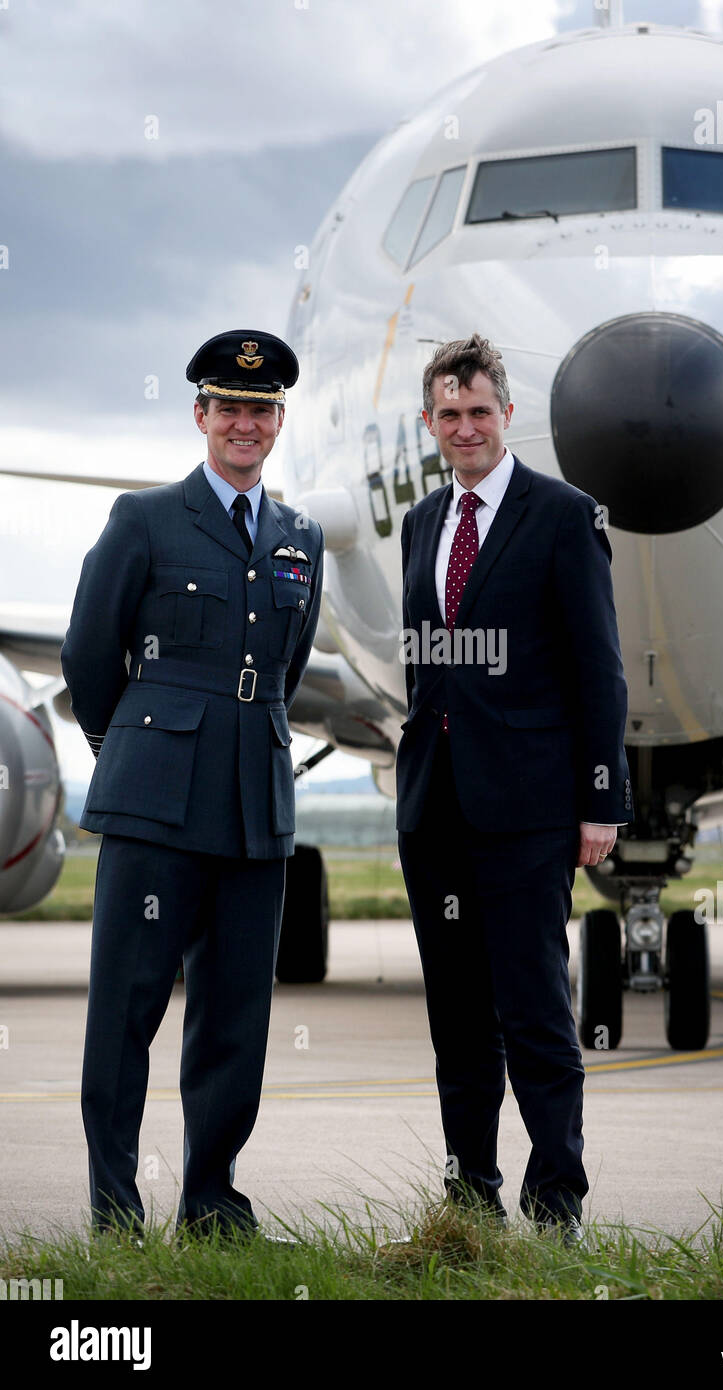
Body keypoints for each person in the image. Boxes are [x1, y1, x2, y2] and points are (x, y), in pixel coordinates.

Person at [60, 329, 323, 1241]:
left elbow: (283, 670)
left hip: (256, 807)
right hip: (155, 804)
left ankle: (212, 1203)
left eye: (262, 410)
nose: (245, 424)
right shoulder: (145, 519)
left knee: (234, 1019)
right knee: (126, 1011)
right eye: (229, 408)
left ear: (278, 421)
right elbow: (88, 652)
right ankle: (114, 1209)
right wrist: (127, 745)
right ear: (200, 415)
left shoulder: (301, 539)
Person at [396, 332, 633, 1242]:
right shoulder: (424, 522)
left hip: (530, 809)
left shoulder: (563, 514)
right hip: (436, 806)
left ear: (506, 415)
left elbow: (598, 668)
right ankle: (470, 1200)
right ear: (431, 422)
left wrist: (601, 799)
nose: (465, 428)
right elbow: (431, 665)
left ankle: (557, 1200)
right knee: (457, 1021)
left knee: (534, 1011)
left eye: (479, 412)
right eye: (449, 415)